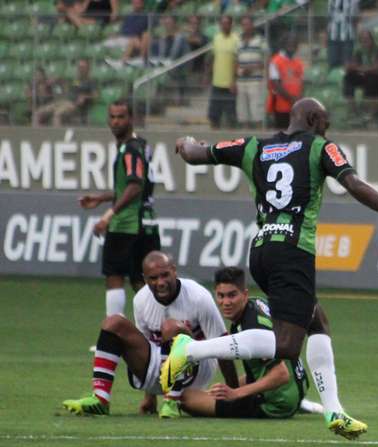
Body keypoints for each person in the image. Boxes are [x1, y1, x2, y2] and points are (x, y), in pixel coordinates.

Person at [168, 97, 378, 438]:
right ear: (313, 119)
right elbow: (355, 185)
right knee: (285, 346)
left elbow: (197, 155)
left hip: (263, 249)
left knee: (318, 321)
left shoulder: (254, 146)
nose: (327, 129)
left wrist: (185, 143)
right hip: (293, 251)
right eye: (325, 123)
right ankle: (191, 349)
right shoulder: (320, 148)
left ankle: (334, 412)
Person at [62, 251, 237, 418]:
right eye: (153, 278)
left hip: (196, 369)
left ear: (174, 271)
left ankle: (171, 402)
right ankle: (100, 399)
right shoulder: (141, 300)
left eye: (165, 275)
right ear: (145, 279)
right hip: (159, 368)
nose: (160, 282)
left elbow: (222, 344)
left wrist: (234, 391)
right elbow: (147, 346)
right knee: (113, 322)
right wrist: (150, 396)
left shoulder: (198, 296)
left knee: (170, 327)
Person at [181, 266, 323, 419]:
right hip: (297, 383)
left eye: (232, 295)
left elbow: (281, 374)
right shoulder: (257, 304)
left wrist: (236, 393)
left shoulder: (252, 327)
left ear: (244, 294)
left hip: (276, 403)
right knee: (219, 391)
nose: (226, 302)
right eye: (221, 296)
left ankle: (287, 402)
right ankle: (297, 402)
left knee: (185, 398)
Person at [78, 99, 161, 317]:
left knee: (114, 275)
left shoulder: (129, 150)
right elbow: (136, 187)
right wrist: (102, 197)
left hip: (126, 223)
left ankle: (114, 334)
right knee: (141, 281)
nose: (115, 122)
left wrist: (108, 215)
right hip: (146, 220)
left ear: (131, 119)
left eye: (121, 117)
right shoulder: (141, 144)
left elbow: (135, 186)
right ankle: (156, 334)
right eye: (112, 117)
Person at [32, 59, 95, 127]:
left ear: (88, 69)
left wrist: (85, 96)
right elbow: (65, 85)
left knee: (57, 114)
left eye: (83, 67)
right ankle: (37, 134)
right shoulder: (75, 79)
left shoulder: (91, 81)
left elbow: (95, 95)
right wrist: (58, 80)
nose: (80, 69)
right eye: (79, 67)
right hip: (63, 101)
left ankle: (57, 136)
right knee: (38, 113)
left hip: (74, 105)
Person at [236, 15, 269, 129]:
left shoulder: (261, 40)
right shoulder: (238, 40)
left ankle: (259, 135)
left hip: (255, 80)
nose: (246, 27)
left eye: (248, 24)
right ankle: (245, 137)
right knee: (242, 110)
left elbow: (266, 61)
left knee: (256, 109)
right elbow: (235, 60)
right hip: (241, 80)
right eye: (244, 24)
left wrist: (251, 68)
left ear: (253, 25)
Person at [208, 14, 240, 129]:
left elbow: (237, 61)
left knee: (231, 115)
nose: (225, 25)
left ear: (231, 24)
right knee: (214, 114)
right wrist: (208, 75)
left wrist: (234, 81)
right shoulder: (216, 38)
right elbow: (213, 57)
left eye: (227, 23)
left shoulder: (236, 39)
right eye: (223, 23)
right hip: (216, 82)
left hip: (230, 84)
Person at [267, 35, 304, 129]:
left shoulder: (298, 62)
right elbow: (276, 84)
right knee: (282, 135)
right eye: (289, 45)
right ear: (284, 45)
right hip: (281, 105)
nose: (292, 47)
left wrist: (299, 99)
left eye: (294, 45)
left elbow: (301, 82)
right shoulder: (276, 61)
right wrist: (291, 99)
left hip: (296, 106)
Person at [327, 0, 358, 68]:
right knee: (333, 63)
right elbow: (329, 16)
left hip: (348, 37)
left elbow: (355, 17)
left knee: (346, 64)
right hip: (333, 36)